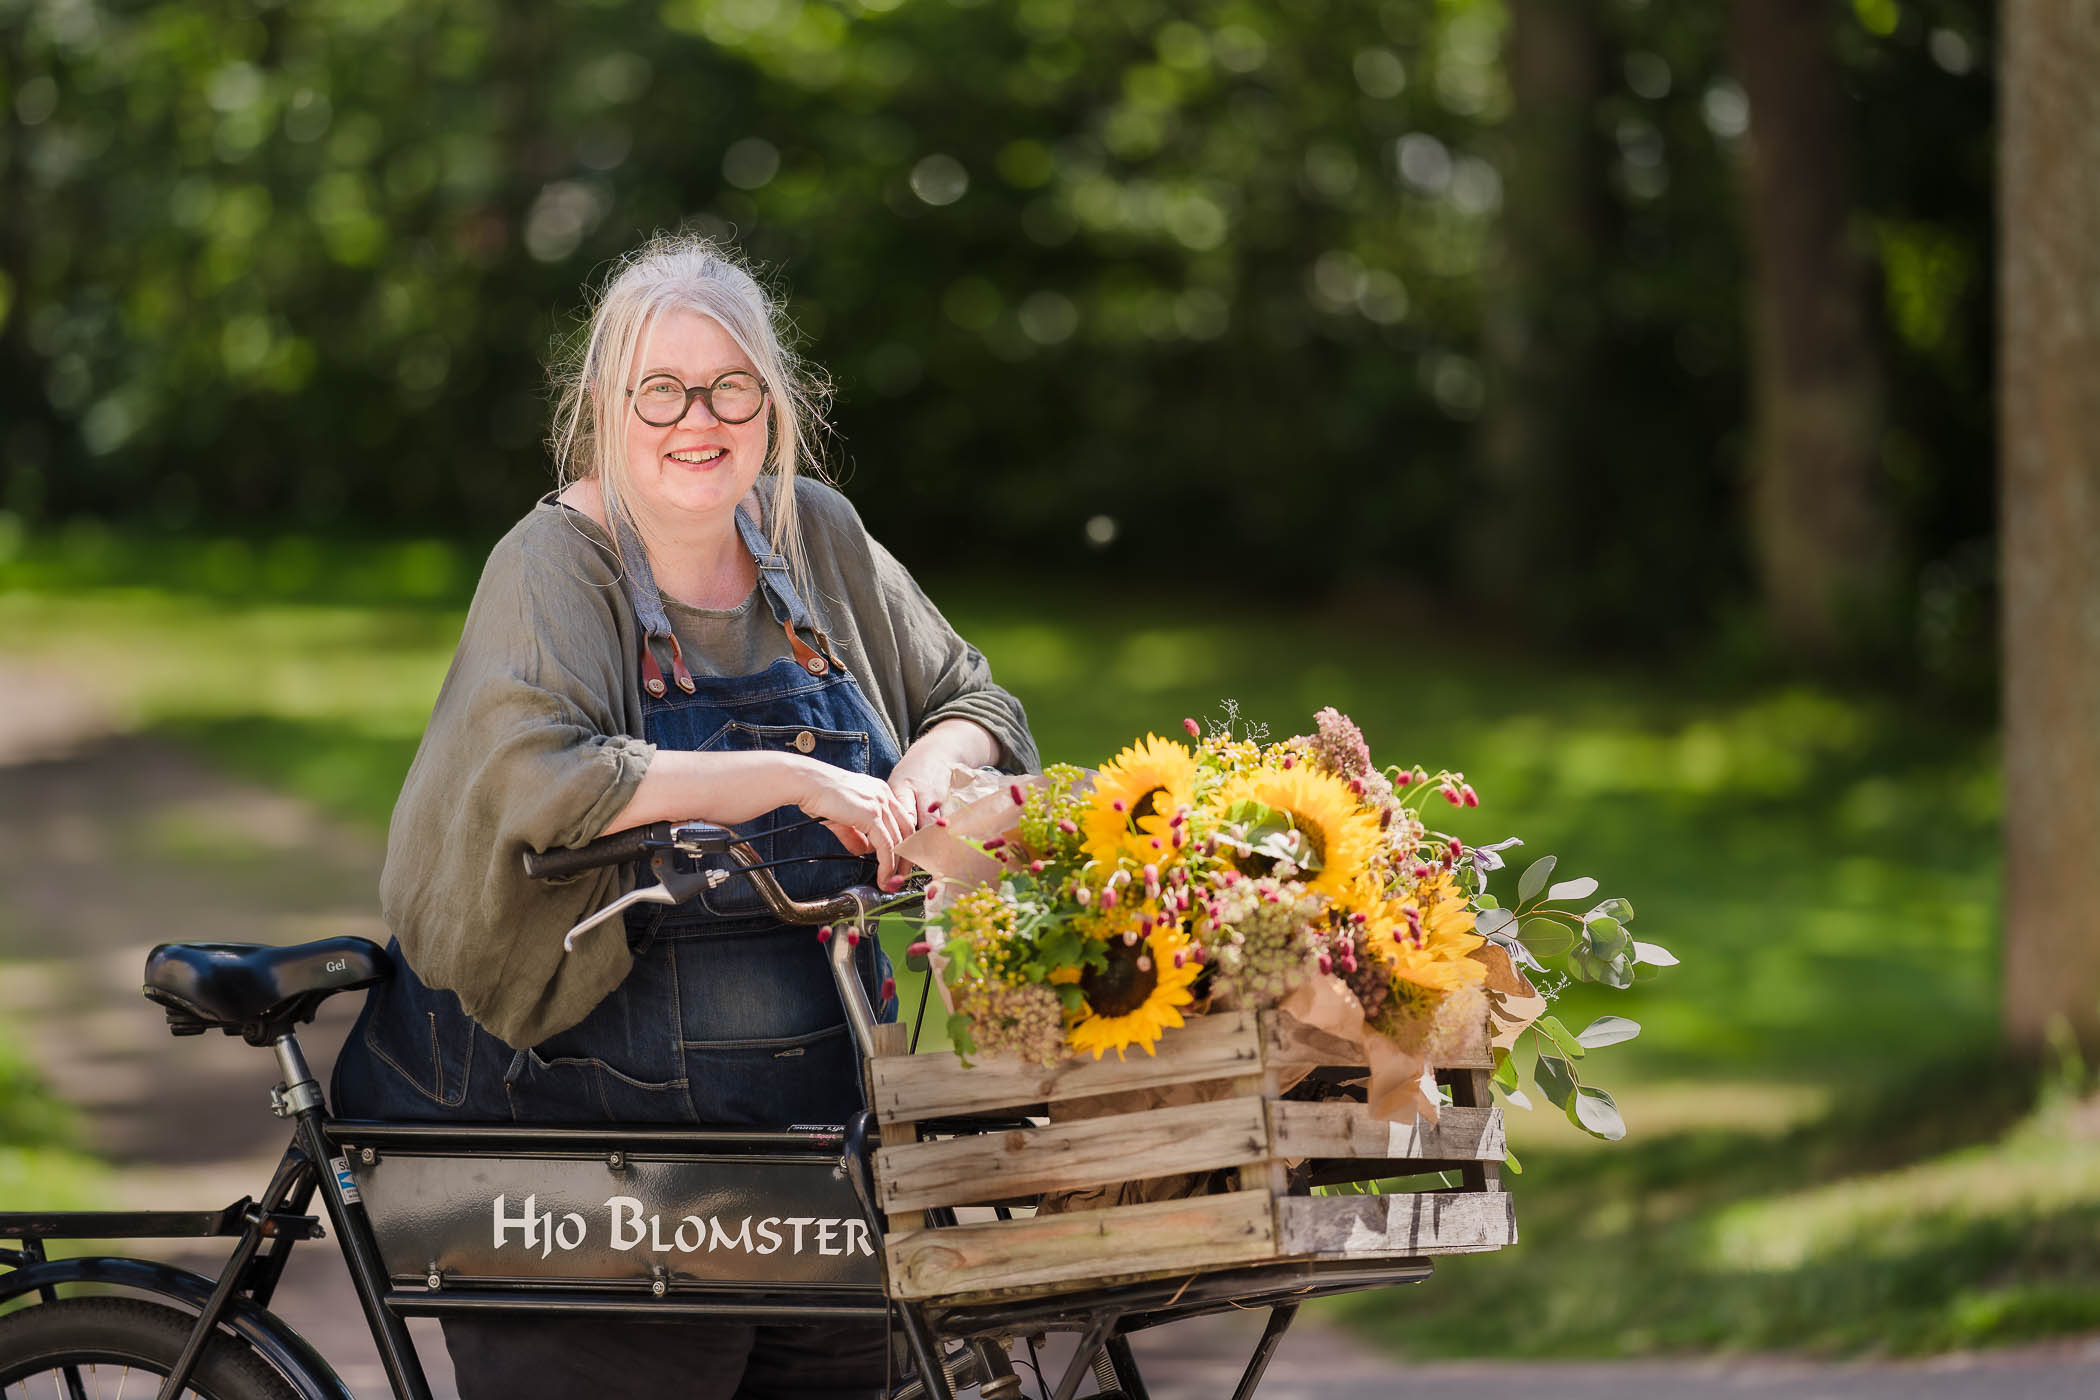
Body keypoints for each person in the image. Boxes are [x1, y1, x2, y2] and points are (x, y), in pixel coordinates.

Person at [332, 231, 1038, 1398]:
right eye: (659, 389)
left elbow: (974, 695)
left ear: (771, 399)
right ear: (606, 403)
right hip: (582, 1144)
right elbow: (542, 779)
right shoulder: (559, 563)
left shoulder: (818, 536)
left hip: (812, 1149)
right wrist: (795, 775)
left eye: (727, 386)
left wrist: (930, 762)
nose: (694, 418)